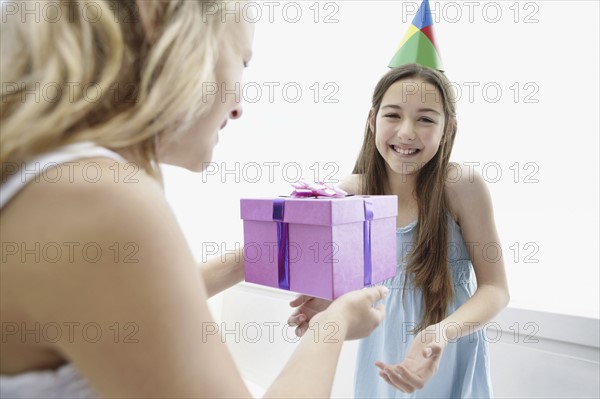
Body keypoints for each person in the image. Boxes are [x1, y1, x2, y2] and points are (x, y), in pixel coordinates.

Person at [0, 1, 388, 397]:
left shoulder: (47, 179)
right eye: (242, 60)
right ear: (158, 21)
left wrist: (253, 256)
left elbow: (130, 305)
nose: (238, 108)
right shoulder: (104, 201)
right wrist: (333, 327)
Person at [288, 63, 510, 398]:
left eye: (425, 119)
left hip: (446, 351)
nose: (406, 131)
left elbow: (495, 288)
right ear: (372, 119)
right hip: (381, 357)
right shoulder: (351, 192)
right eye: (393, 115)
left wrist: (441, 333)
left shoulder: (461, 186)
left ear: (448, 128)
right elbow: (358, 281)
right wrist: (330, 304)